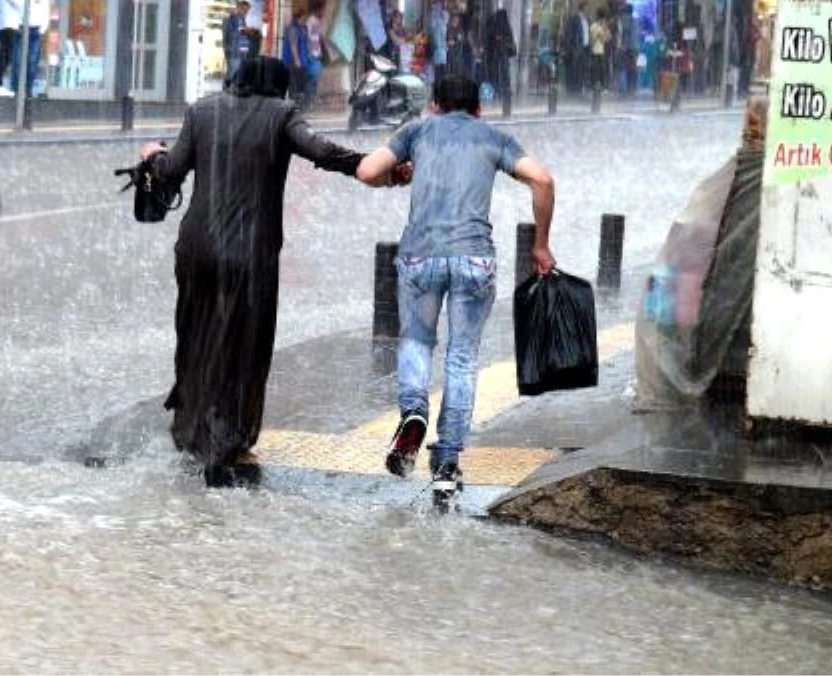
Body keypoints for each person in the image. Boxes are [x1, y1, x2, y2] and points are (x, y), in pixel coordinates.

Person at [137, 57, 372, 488]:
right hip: (248, 255)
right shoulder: (281, 115)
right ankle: (228, 436)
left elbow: (171, 171)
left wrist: (154, 156)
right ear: (278, 87)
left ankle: (190, 430)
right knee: (244, 343)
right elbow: (321, 150)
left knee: (196, 335)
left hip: (196, 248)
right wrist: (368, 165)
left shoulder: (202, 110)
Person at [356, 74, 556, 511]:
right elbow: (542, 181)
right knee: (462, 358)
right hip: (474, 261)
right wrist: (540, 244)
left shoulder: (417, 131)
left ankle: (413, 413)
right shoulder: (494, 136)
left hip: (420, 257)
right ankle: (446, 466)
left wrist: (395, 178)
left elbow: (366, 170)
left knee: (416, 341)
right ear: (478, 108)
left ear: (434, 105)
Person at [9, 0, 49, 98]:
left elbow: (46, 13)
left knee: (32, 62)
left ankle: (28, 89)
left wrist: (41, 30)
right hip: (21, 28)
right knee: (18, 61)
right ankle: (16, 89)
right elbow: (14, 4)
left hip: (35, 30)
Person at [0, 0, 20, 95]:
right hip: (9, 23)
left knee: (5, 55)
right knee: (6, 56)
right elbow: (18, 4)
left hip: (3, 23)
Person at [222, 1, 252, 87]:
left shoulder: (241, 19)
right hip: (235, 52)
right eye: (244, 10)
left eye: (247, 11)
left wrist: (246, 33)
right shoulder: (234, 18)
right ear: (239, 8)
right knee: (233, 71)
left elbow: (241, 33)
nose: (246, 12)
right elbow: (232, 34)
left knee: (236, 72)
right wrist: (245, 31)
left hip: (241, 52)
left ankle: (230, 89)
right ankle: (226, 88)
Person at [563, 0, 590, 96]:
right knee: (573, 68)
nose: (588, 10)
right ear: (583, 8)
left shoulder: (586, 20)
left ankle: (578, 88)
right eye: (587, 7)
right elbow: (569, 34)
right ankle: (572, 89)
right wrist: (569, 47)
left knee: (580, 69)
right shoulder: (574, 19)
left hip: (584, 48)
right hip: (576, 47)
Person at [589, 8, 611, 93]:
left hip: (602, 51)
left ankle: (603, 87)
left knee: (602, 70)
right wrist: (598, 36)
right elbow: (592, 41)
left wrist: (605, 30)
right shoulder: (593, 26)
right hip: (595, 51)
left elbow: (608, 38)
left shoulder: (604, 26)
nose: (603, 20)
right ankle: (593, 86)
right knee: (595, 70)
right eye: (603, 19)